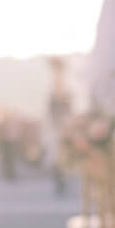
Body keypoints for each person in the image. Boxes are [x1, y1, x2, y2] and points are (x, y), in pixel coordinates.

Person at [46, 55, 73, 194]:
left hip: (61, 124)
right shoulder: (55, 82)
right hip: (56, 124)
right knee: (56, 154)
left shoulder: (62, 83)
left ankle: (61, 181)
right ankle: (59, 181)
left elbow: (63, 104)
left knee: (60, 153)